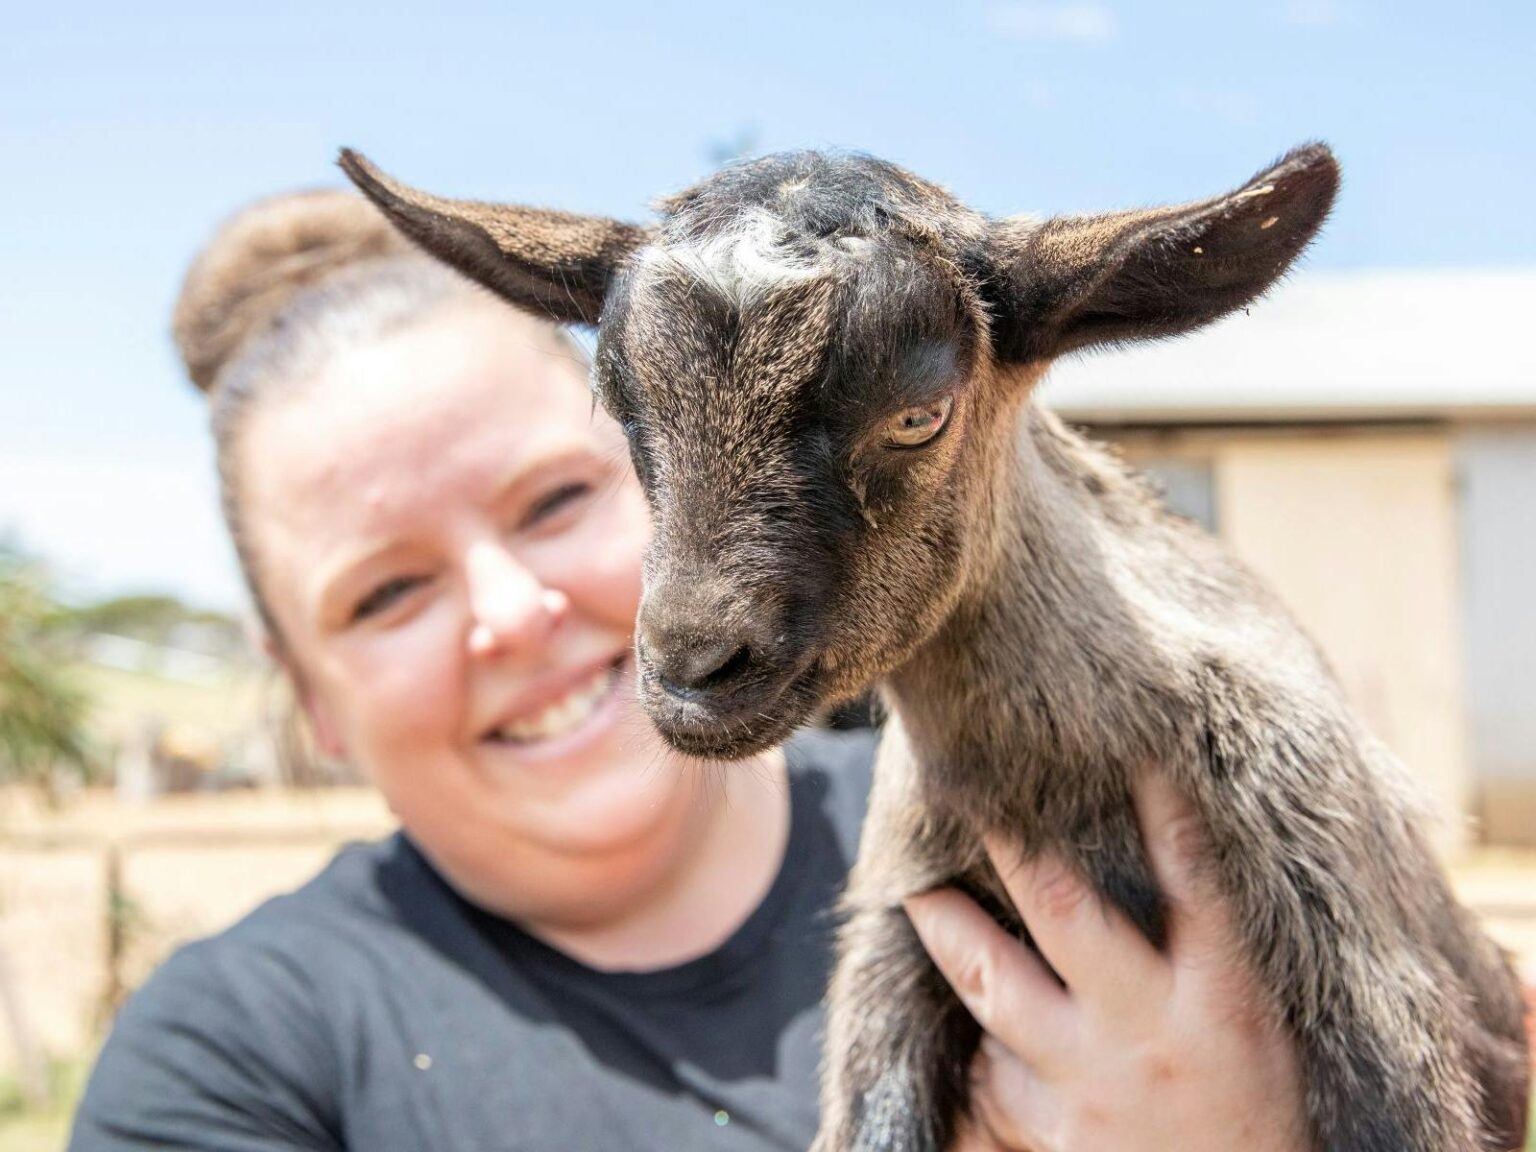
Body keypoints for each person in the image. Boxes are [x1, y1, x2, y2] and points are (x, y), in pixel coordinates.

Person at [69, 189, 1308, 1152]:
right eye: (387, 594)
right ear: (309, 699)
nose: (514, 612)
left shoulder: (1050, 822)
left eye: (556, 500)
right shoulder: (233, 1060)